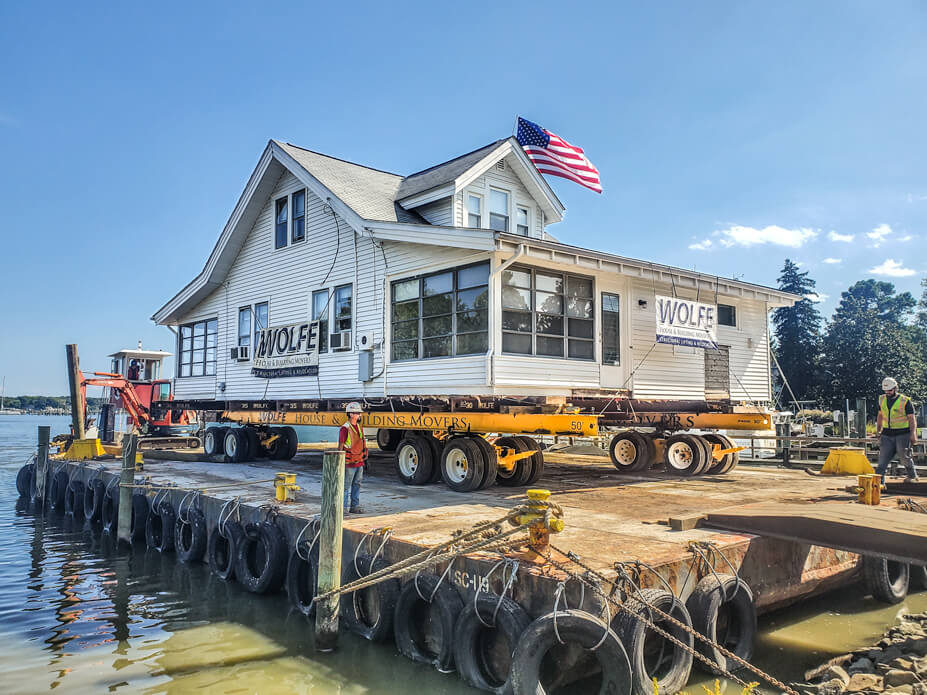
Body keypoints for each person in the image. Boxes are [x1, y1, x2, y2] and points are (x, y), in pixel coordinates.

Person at [874, 377, 918, 483]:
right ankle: (879, 484)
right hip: (887, 434)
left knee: (904, 457)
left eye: (890, 390)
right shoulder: (882, 399)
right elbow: (880, 416)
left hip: (902, 433)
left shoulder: (905, 401)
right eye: (886, 390)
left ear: (895, 388)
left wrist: (913, 433)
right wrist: (878, 431)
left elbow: (912, 419)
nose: (888, 392)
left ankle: (912, 476)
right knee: (882, 460)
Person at [339, 401, 368, 514]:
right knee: (346, 486)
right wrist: (339, 459)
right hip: (349, 462)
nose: (359, 415)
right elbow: (341, 444)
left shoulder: (359, 427)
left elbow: (361, 443)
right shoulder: (345, 428)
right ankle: (343, 509)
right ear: (351, 414)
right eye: (357, 413)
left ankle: (354, 506)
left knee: (357, 484)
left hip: (359, 461)